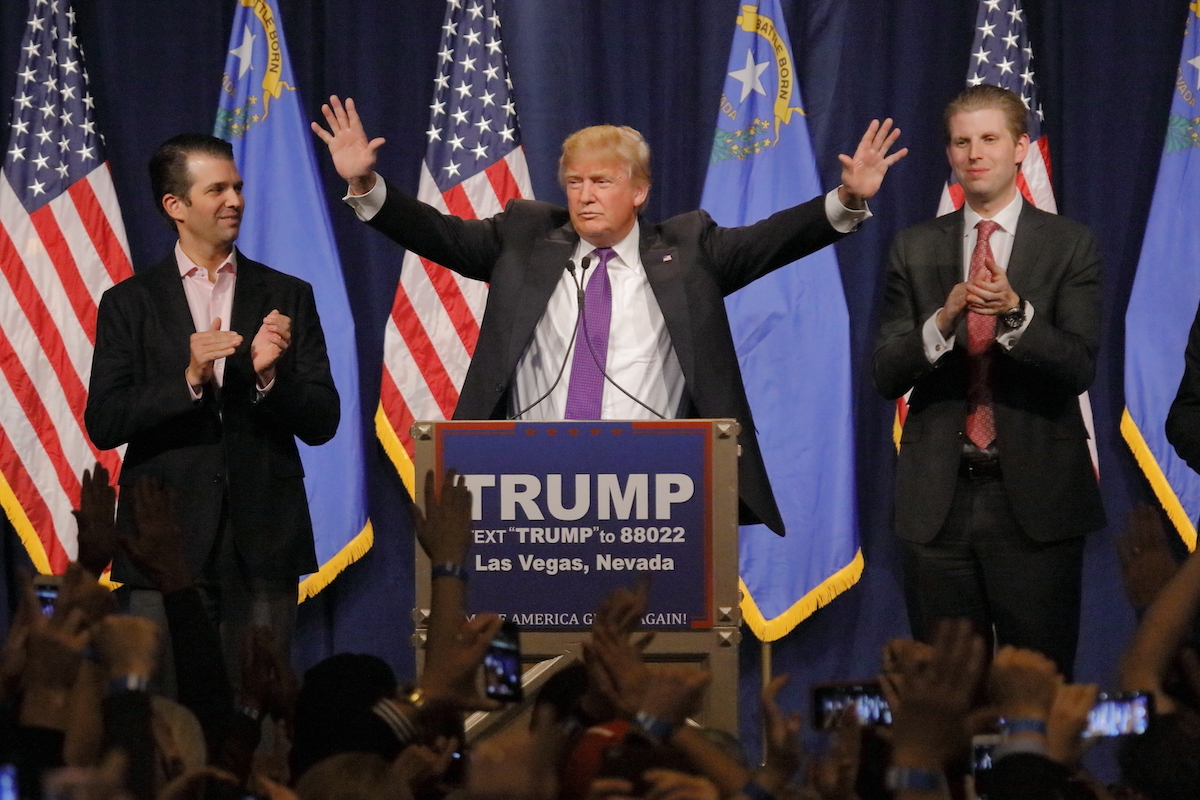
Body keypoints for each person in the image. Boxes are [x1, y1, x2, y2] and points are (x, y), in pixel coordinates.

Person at [312, 96, 906, 535]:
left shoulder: (691, 247)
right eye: (574, 182)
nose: (585, 195)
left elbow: (778, 237)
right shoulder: (523, 237)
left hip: (654, 483)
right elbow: (436, 233)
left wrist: (849, 199)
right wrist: (365, 183)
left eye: (601, 181)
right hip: (529, 481)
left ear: (639, 190)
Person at [84, 133, 340, 677]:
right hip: (163, 546)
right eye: (217, 189)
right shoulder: (128, 303)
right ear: (175, 206)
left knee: (263, 721)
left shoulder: (287, 294)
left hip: (265, 544)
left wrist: (270, 377)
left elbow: (323, 420)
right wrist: (189, 379)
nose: (236, 201)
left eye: (238, 188)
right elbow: (105, 422)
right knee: (164, 724)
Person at [872, 84, 1104, 677]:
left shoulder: (1068, 243)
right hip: (938, 504)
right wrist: (944, 320)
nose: (975, 153)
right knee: (948, 695)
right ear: (949, 154)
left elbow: (1078, 365)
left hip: (1036, 501)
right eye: (961, 141)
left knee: (1038, 689)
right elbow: (885, 371)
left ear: (1021, 147)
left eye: (990, 139)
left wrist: (1016, 314)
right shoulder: (914, 247)